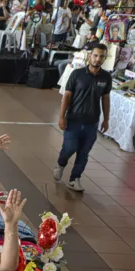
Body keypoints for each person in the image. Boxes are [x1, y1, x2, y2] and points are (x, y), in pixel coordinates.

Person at [55, 43, 111, 192]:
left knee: (84, 152)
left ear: (105, 58)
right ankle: (61, 163)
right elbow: (66, 96)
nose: (98, 59)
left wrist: (106, 119)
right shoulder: (77, 74)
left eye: (101, 56)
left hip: (92, 122)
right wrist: (62, 117)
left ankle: (74, 179)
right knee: (70, 148)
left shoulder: (106, 77)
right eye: (95, 55)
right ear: (89, 56)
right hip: (73, 120)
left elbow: (105, 98)